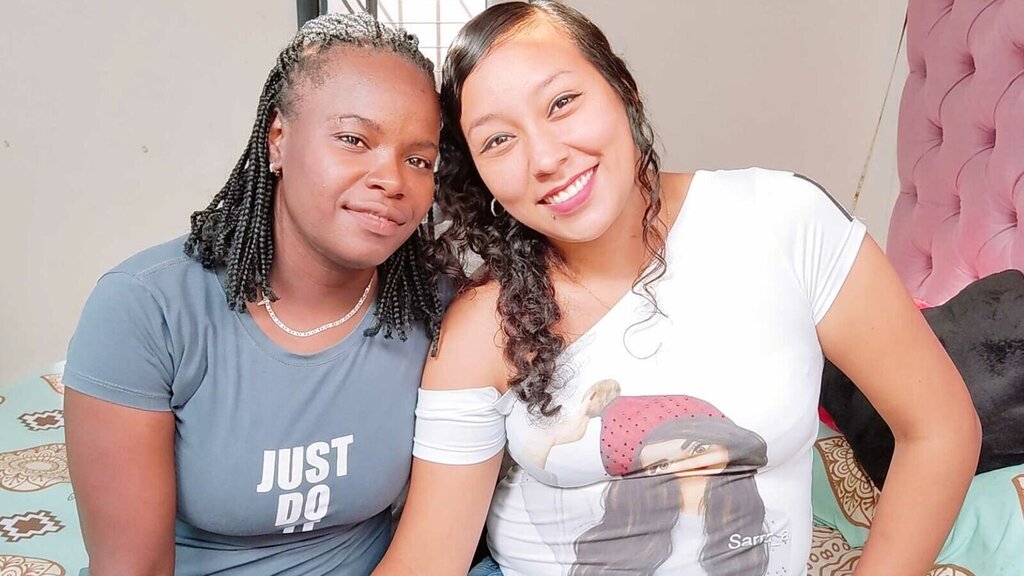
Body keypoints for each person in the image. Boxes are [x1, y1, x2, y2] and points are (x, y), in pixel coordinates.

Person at [373, 2, 982, 575]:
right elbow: (429, 558)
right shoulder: (483, 326)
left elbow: (940, 428)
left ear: (623, 89)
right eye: (498, 140)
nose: (546, 158)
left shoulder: (785, 222)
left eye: (561, 102)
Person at [63, 12, 452, 575]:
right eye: (353, 140)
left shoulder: (436, 309)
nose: (392, 179)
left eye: (418, 160)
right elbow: (134, 568)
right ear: (278, 139)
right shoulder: (146, 310)